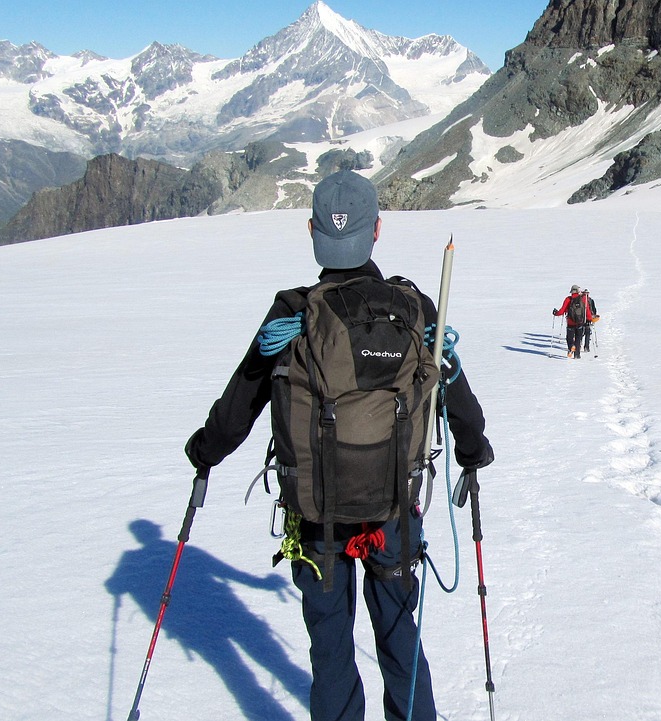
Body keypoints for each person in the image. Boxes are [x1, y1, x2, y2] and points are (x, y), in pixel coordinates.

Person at [184, 169, 495, 721]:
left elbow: (244, 401)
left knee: (330, 653)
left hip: (317, 513)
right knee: (401, 643)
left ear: (312, 231)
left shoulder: (293, 314)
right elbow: (452, 387)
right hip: (394, 512)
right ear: (377, 230)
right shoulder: (415, 308)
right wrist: (473, 451)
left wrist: (205, 450)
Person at [552, 285, 598, 358]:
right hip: (580, 323)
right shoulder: (583, 299)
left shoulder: (568, 299)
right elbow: (587, 311)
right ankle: (577, 355)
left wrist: (556, 313)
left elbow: (561, 311)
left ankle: (571, 346)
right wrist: (590, 319)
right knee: (578, 338)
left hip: (570, 323)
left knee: (569, 338)